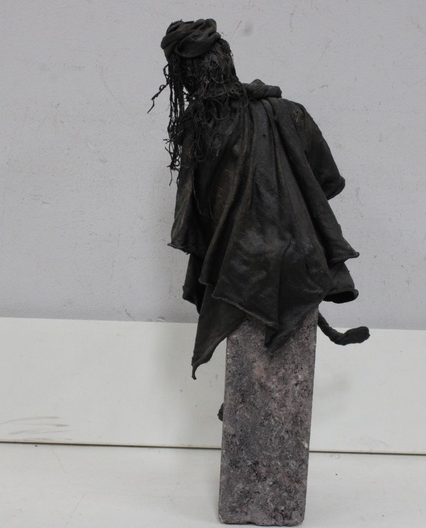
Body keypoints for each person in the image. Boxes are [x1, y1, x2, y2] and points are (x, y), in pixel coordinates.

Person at [153, 19, 368, 379]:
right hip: (301, 256)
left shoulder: (198, 128)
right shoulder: (290, 112)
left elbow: (196, 217)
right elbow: (326, 184)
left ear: (185, 77)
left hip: (234, 268)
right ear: (226, 61)